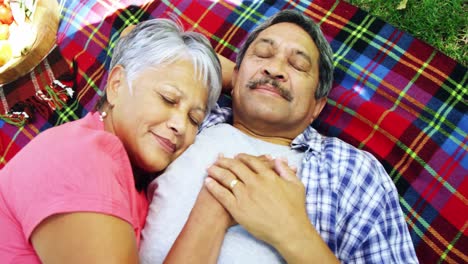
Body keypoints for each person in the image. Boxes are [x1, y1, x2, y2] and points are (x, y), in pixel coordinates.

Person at [139, 10, 418, 263]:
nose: (274, 70)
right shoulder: (192, 118)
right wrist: (225, 76)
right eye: (261, 54)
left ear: (317, 106)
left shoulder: (352, 171)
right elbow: (138, 42)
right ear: (233, 77)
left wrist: (294, 235)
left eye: (297, 66)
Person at [0, 18, 222, 263]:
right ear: (116, 85)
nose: (180, 125)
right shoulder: (79, 156)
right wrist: (212, 212)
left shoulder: (137, 182)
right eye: (168, 99)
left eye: (194, 119)